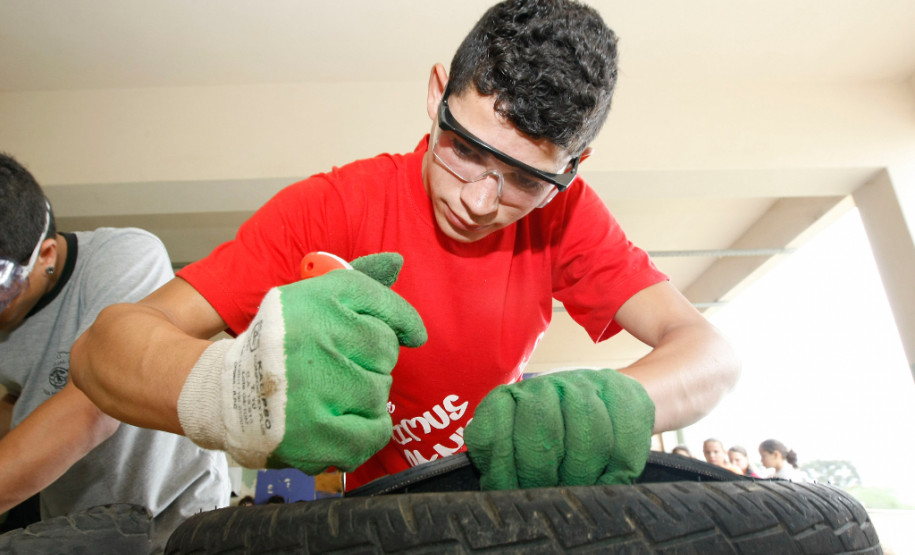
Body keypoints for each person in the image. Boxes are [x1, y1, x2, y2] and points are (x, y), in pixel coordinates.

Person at [71, 0, 739, 492]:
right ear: (434, 95)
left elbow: (708, 354)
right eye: (465, 149)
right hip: (370, 508)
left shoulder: (564, 217)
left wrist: (612, 404)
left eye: (525, 179)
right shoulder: (332, 206)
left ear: (572, 167)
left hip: (496, 493)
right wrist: (237, 392)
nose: (479, 201)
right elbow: (101, 352)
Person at [0, 152, 231, 552]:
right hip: (71, 525)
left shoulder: (122, 258)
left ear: (46, 256)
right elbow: (26, 399)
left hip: (174, 520)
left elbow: (92, 409)